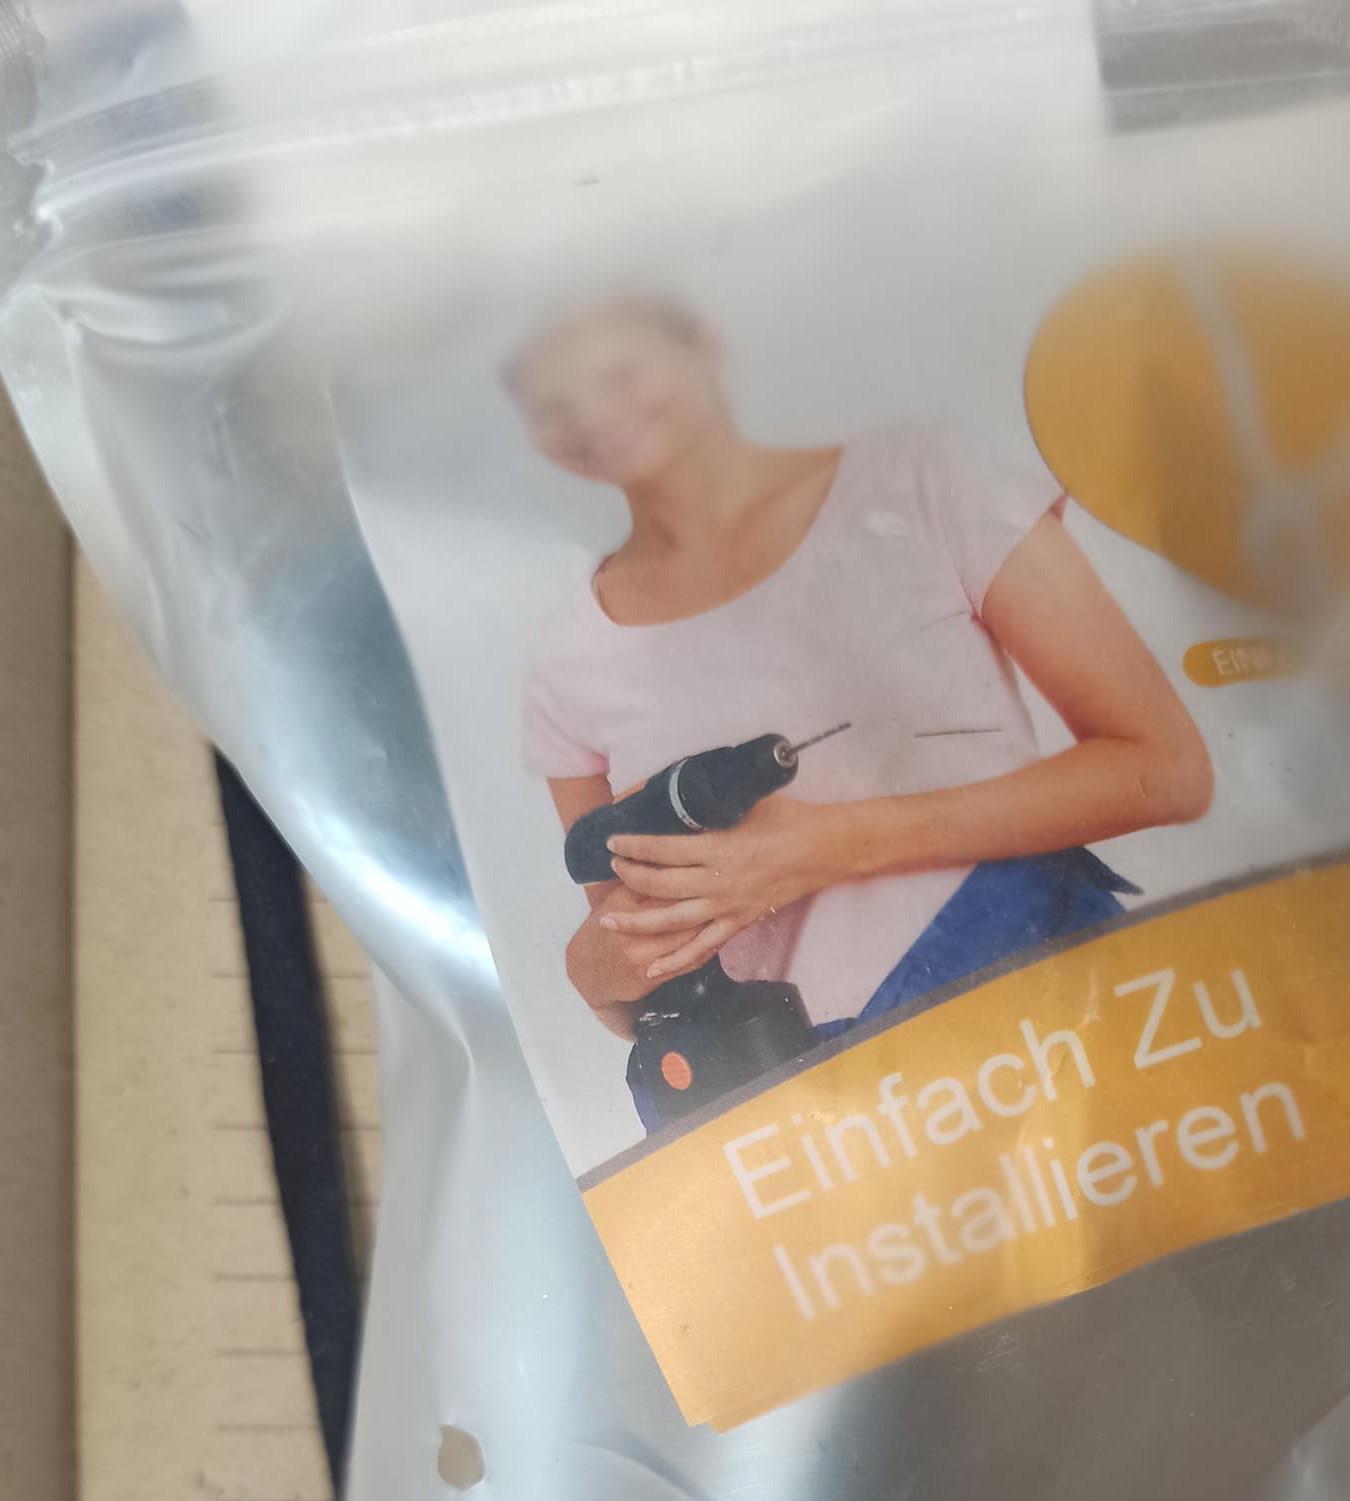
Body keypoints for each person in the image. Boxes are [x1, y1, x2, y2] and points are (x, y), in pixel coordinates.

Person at [509, 293, 1214, 1056]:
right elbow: (632, 958)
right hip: (811, 1089)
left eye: (619, 375)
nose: (593, 417)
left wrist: (830, 844)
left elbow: (1166, 769)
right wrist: (592, 971)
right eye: (553, 407)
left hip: (1050, 1001)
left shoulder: (923, 475)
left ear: (705, 345)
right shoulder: (568, 655)